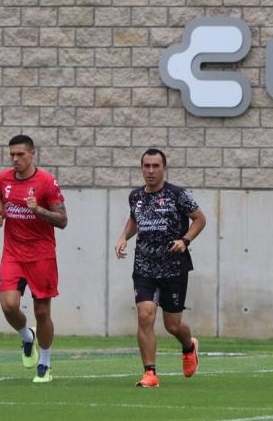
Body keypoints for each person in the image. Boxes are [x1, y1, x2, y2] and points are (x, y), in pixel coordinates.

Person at [115, 148, 206, 388]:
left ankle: (189, 346)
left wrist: (184, 241)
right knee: (145, 315)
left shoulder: (178, 195)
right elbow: (135, 219)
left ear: (164, 168)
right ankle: (150, 373)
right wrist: (124, 236)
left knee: (172, 325)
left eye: (156, 166)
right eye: (147, 166)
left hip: (173, 268)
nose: (151, 171)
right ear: (142, 168)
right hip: (144, 267)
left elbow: (200, 219)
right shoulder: (135, 196)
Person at [0, 134, 67, 383]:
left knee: (42, 311)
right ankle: (27, 337)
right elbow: (3, 202)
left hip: (41, 255)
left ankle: (45, 362)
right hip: (13, 253)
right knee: (9, 305)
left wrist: (38, 210)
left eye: (20, 154)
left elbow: (63, 220)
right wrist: (0, 216)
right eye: (12, 154)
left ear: (32, 154)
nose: (15, 159)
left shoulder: (46, 182)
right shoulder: (3, 178)